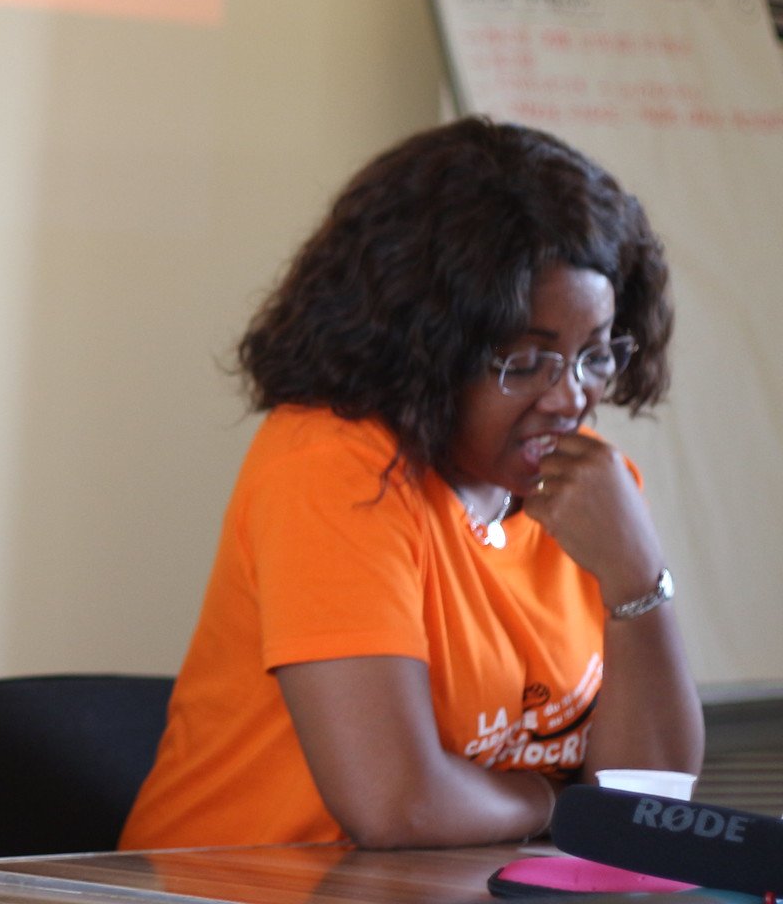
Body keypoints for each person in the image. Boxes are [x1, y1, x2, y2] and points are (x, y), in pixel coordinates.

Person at [120, 117, 702, 850]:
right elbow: (397, 805)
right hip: (230, 886)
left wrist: (636, 580)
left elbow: (647, 810)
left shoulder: (590, 492)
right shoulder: (331, 466)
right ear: (422, 346)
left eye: (595, 355)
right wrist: (557, 805)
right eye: (525, 362)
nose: (569, 397)